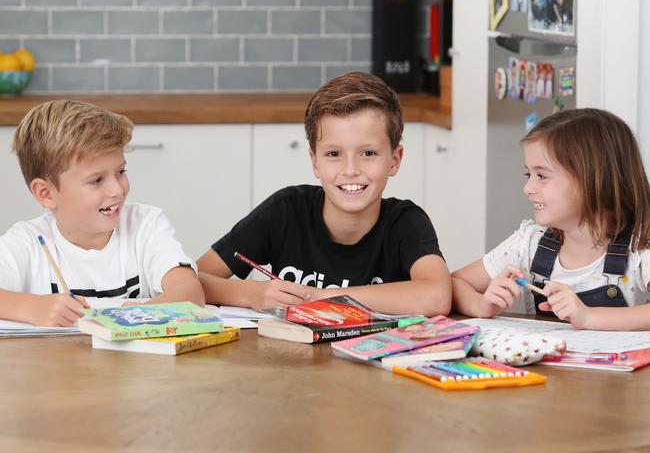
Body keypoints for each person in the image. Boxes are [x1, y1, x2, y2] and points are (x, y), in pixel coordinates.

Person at [197, 72, 451, 316]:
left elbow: (436, 296)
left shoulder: (405, 222)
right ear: (315, 162)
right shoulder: (286, 210)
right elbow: (192, 279)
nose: (351, 170)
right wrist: (251, 293)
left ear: (395, 160)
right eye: (333, 154)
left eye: (368, 153)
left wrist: (316, 297)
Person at [0, 100, 205, 327]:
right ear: (46, 193)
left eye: (120, 172)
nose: (117, 190)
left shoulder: (146, 225)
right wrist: (30, 307)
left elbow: (189, 292)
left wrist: (143, 312)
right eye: (97, 180)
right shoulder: (27, 241)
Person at [451, 109, 650, 330]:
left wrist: (588, 317)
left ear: (593, 178)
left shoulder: (640, 246)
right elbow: (453, 283)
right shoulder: (528, 244)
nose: (528, 188)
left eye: (542, 176)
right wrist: (480, 304)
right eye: (528, 175)